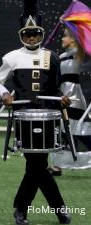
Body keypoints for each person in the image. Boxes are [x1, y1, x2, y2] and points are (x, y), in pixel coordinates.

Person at [0, 13, 72, 225]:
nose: (32, 38)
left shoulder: (52, 57)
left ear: (41, 34)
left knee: (36, 166)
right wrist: (4, 94)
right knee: (37, 164)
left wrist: (63, 100)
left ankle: (22, 209)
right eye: (28, 34)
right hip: (24, 116)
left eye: (35, 34)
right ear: (21, 35)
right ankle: (57, 209)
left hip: (48, 117)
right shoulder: (11, 57)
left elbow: (56, 89)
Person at [48, 27, 91, 175]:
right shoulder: (61, 56)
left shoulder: (77, 54)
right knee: (59, 130)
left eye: (65, 36)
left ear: (73, 39)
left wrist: (70, 23)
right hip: (61, 96)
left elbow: (81, 44)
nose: (62, 39)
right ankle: (56, 165)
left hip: (74, 98)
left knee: (78, 131)